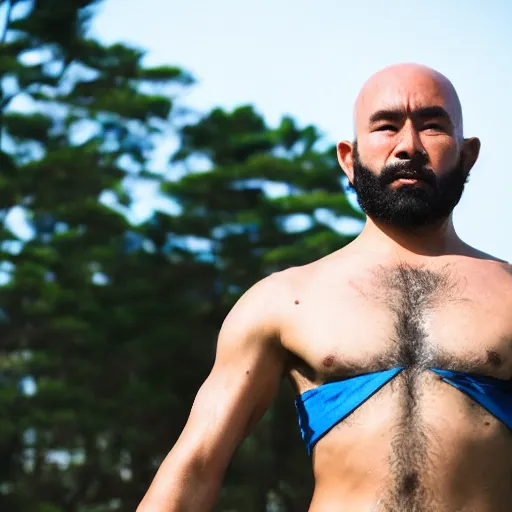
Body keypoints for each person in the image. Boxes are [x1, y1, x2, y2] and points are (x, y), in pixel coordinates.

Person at [137, 63, 512, 511]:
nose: (408, 146)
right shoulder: (284, 300)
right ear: (349, 159)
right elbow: (196, 464)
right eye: (386, 126)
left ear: (467, 155)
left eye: (432, 126)